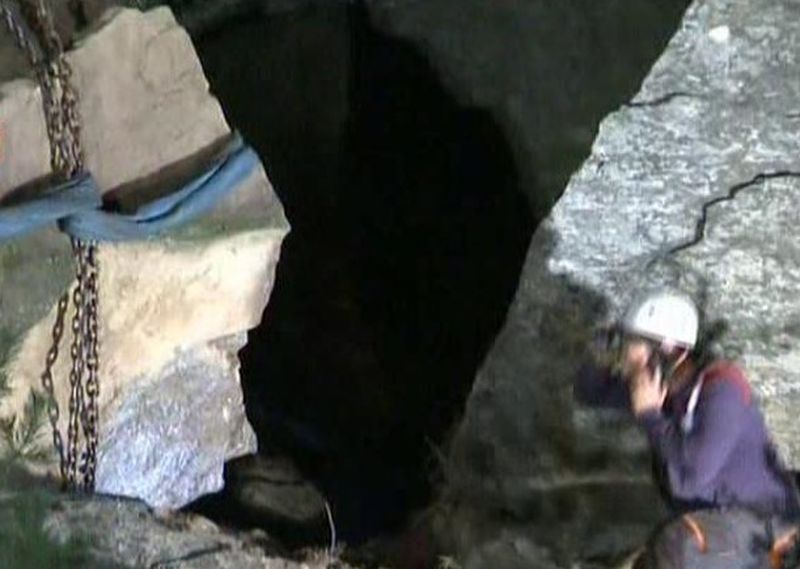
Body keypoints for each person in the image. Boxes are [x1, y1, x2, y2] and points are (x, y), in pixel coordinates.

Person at [575, 290, 800, 568]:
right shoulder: (662, 385)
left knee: (678, 547)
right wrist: (597, 352)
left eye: (632, 344)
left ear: (669, 352)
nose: (624, 353)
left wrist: (650, 417)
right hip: (718, 518)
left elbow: (692, 478)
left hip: (765, 524)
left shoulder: (722, 390)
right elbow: (590, 392)